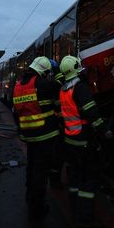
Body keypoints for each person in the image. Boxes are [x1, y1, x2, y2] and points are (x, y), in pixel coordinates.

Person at [58, 55, 113, 228]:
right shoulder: (80, 89)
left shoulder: (64, 90)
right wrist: (105, 130)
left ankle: (75, 211)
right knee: (89, 180)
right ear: (76, 69)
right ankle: (85, 220)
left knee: (75, 178)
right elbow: (92, 114)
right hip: (84, 142)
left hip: (70, 141)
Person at [12, 56, 61, 220]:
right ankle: (37, 206)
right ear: (44, 71)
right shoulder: (43, 84)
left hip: (28, 135)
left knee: (32, 166)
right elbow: (59, 88)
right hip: (45, 135)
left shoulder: (18, 86)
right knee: (41, 171)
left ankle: (30, 195)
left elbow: (15, 113)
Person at [48, 58, 66, 189]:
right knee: (60, 153)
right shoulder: (62, 83)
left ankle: (54, 178)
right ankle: (55, 179)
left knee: (57, 153)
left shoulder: (53, 83)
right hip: (63, 125)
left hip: (57, 124)